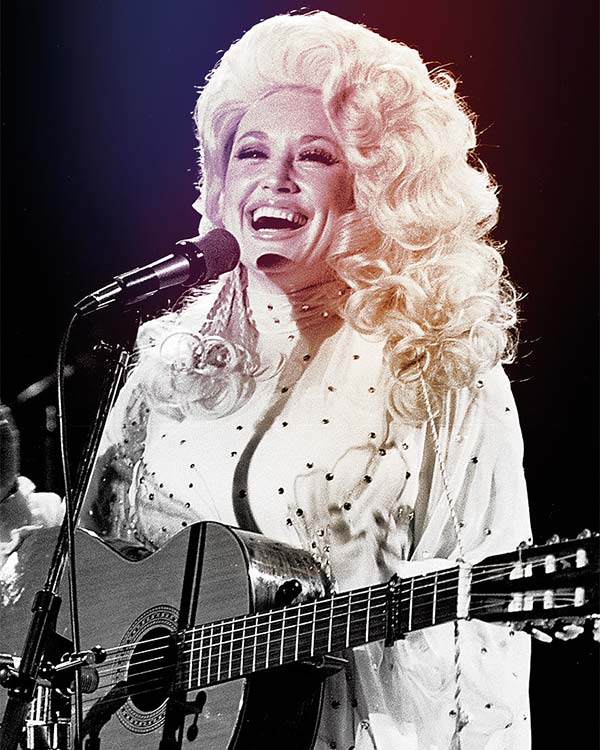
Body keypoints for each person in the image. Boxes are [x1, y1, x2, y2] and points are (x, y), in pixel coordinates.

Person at [3, 11, 534, 750]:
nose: (273, 178)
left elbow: (488, 635)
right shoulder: (165, 359)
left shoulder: (440, 361)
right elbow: (93, 575)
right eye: (251, 152)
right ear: (222, 181)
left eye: (314, 155)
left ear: (374, 184)